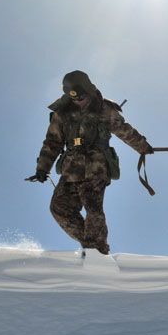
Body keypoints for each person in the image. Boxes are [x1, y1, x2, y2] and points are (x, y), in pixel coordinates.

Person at [25, 71, 154, 254]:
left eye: (82, 97)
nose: (79, 101)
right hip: (71, 169)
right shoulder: (61, 114)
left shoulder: (104, 109)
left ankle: (97, 251)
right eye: (75, 98)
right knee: (59, 208)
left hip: (96, 167)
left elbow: (123, 130)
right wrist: (42, 168)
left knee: (93, 209)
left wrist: (142, 146)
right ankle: (91, 246)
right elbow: (52, 142)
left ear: (89, 90)